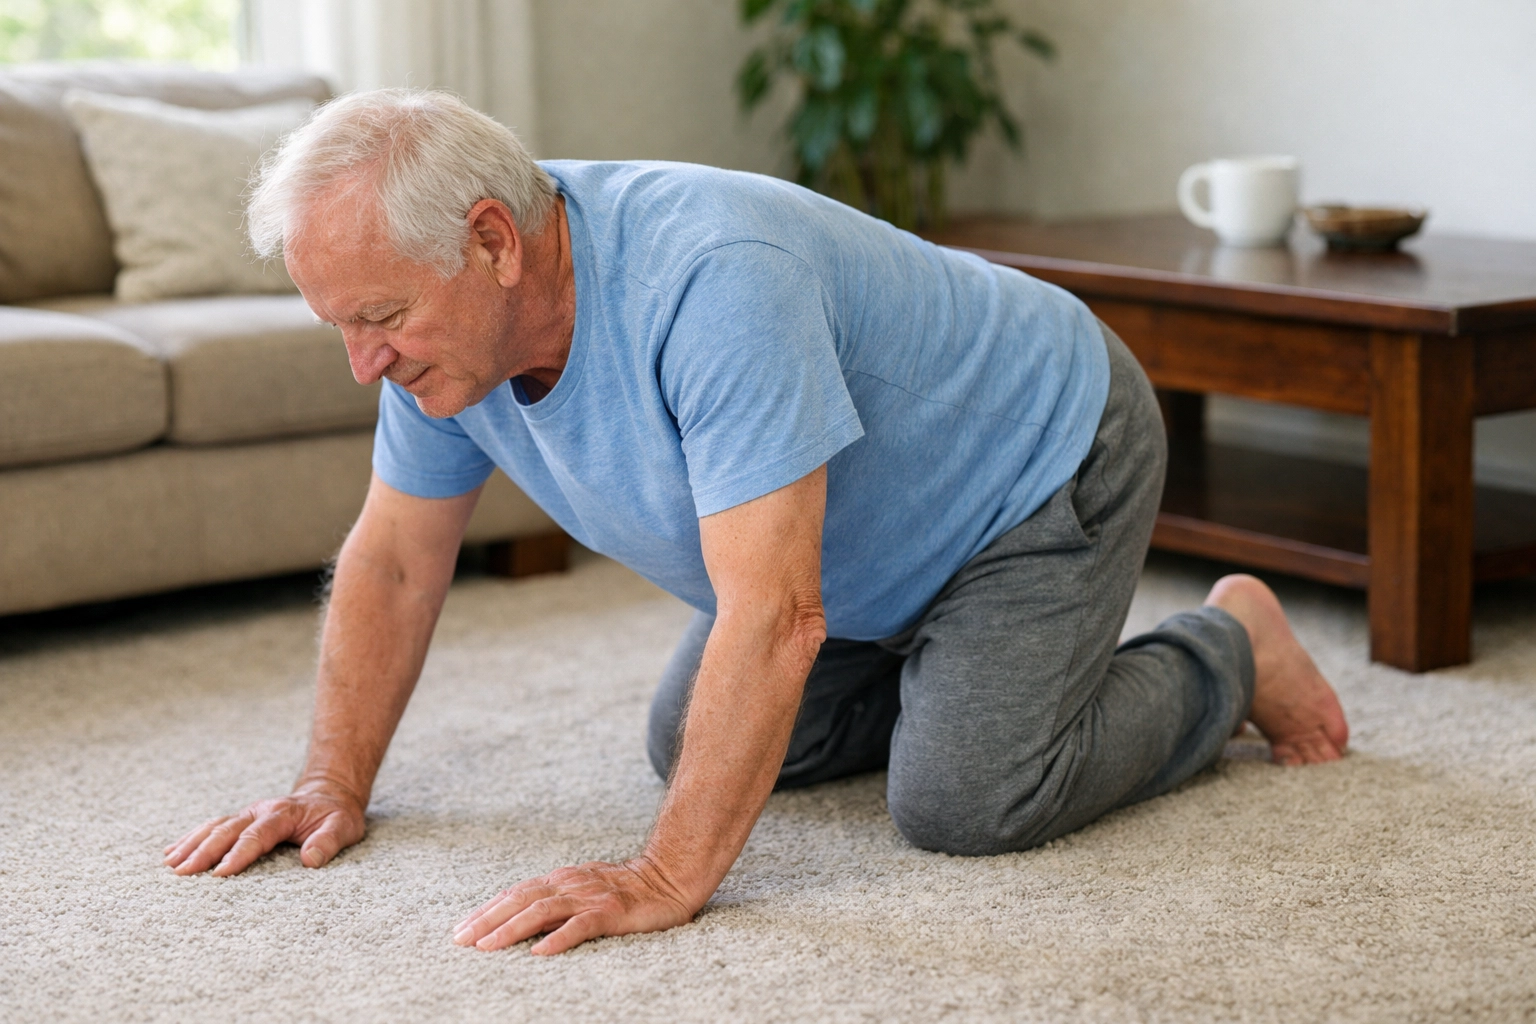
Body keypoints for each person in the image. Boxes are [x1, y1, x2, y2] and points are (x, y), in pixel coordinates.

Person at [164, 90, 1348, 956]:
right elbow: (394, 562)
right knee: (695, 744)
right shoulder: (441, 352)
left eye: (378, 317)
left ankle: (1228, 649)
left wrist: (669, 874)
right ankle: (954, 666)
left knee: (967, 802)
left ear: (492, 242)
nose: (361, 363)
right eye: (339, 326)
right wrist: (331, 780)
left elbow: (777, 615)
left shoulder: (711, 277)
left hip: (1035, 458)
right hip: (850, 534)